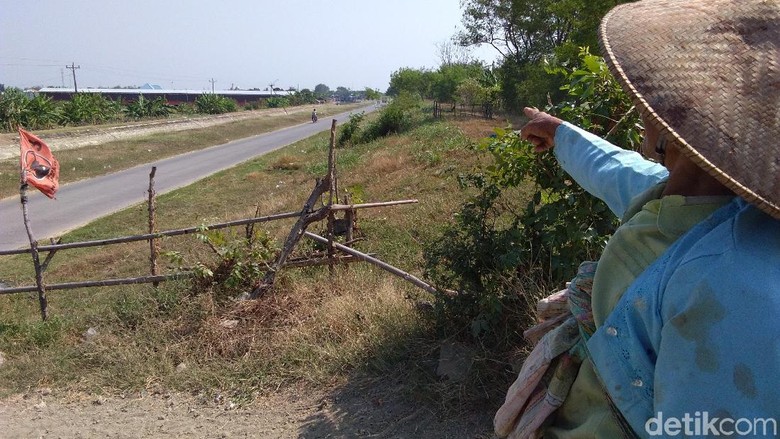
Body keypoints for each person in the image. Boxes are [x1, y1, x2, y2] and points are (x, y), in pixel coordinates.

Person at [494, 0, 780, 437]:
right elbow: (617, 171)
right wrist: (561, 133)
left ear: (677, 120)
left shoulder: (729, 283)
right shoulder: (686, 193)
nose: (645, 102)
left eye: (660, 94)